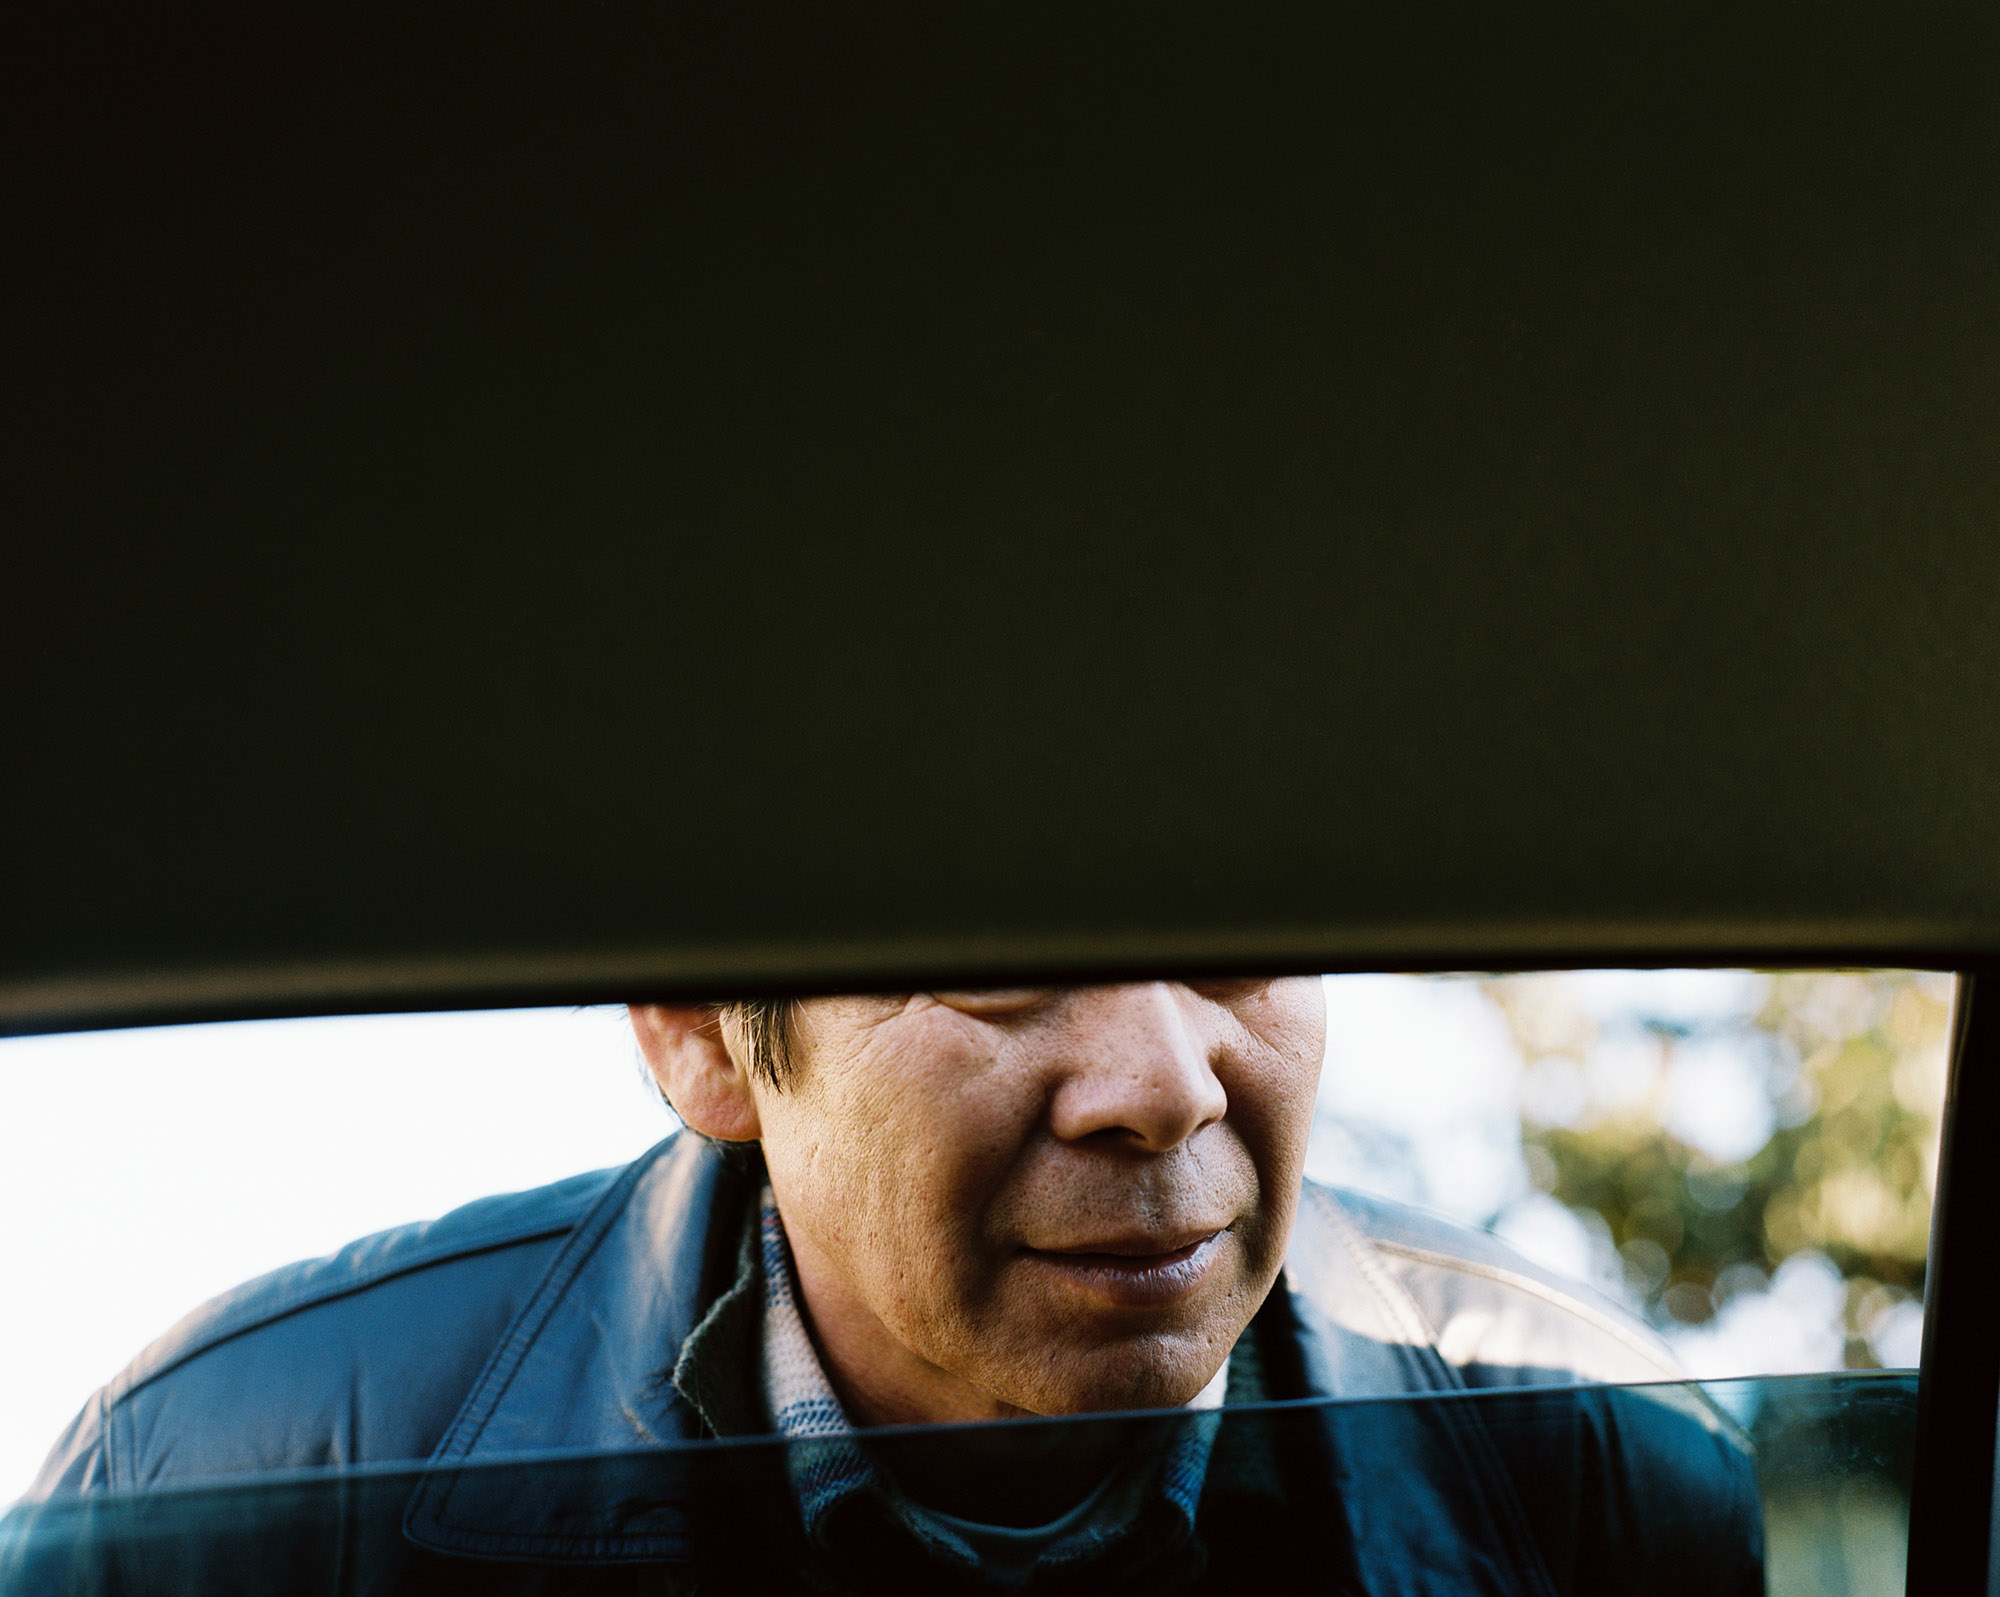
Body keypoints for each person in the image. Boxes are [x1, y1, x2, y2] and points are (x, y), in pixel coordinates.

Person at [10, 982, 1761, 1594]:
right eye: (1001, 955)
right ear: (702, 1034)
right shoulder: (229, 1493)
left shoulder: (1592, 1459)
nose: (1162, 1079)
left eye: (1242, 921)